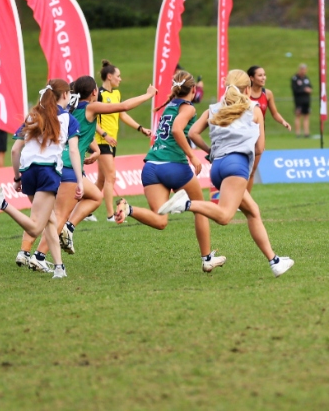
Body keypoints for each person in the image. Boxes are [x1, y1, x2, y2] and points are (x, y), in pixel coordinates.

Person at [156, 70, 295, 278]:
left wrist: (210, 152)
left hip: (218, 167)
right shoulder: (254, 108)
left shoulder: (214, 108)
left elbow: (193, 133)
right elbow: (260, 148)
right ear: (248, 89)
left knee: (253, 211)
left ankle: (275, 261)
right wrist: (248, 165)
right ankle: (185, 204)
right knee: (224, 216)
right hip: (236, 166)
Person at [16, 77, 156, 271]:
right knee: (59, 215)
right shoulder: (90, 108)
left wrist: (96, 150)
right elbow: (123, 106)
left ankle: (55, 236)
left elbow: (80, 133)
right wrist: (148, 95)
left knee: (95, 197)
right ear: (93, 93)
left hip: (57, 165)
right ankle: (40, 256)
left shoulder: (71, 110)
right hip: (68, 169)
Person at [114, 71, 223, 272]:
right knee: (200, 209)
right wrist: (192, 155)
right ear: (193, 90)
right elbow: (176, 130)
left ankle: (129, 210)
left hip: (151, 167)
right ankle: (207, 258)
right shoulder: (188, 108)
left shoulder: (169, 106)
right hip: (174, 166)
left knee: (161, 220)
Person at [0, 79, 82, 279]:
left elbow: (15, 150)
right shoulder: (69, 119)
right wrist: (79, 181)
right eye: (68, 93)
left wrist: (18, 177)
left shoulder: (33, 116)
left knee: (49, 220)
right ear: (64, 96)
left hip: (28, 172)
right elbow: (74, 151)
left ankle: (59, 268)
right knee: (36, 225)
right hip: (48, 172)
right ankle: (1, 203)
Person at [94, 59, 152, 222]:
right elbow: (91, 120)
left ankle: (85, 210)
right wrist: (105, 135)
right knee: (111, 177)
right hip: (101, 141)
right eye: (118, 76)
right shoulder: (99, 94)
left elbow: (123, 114)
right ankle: (110, 215)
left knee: (101, 179)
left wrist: (140, 128)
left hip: (111, 142)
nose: (120, 79)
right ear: (110, 76)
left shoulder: (116, 94)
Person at [246, 65, 293, 192]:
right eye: (260, 75)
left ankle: (245, 202)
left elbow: (274, 113)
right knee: (241, 170)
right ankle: (236, 198)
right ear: (251, 78)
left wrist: (283, 121)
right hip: (243, 136)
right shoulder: (244, 93)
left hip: (259, 136)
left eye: (264, 75)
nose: (263, 77)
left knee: (252, 171)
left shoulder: (268, 94)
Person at [291, 64, 313, 137]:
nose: (304, 71)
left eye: (305, 69)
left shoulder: (306, 78)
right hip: (299, 100)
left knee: (306, 116)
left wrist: (309, 90)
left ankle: (306, 133)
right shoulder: (295, 78)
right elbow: (295, 90)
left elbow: (310, 86)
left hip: (306, 100)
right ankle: (298, 134)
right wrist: (304, 90)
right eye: (302, 69)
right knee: (298, 115)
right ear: (300, 69)